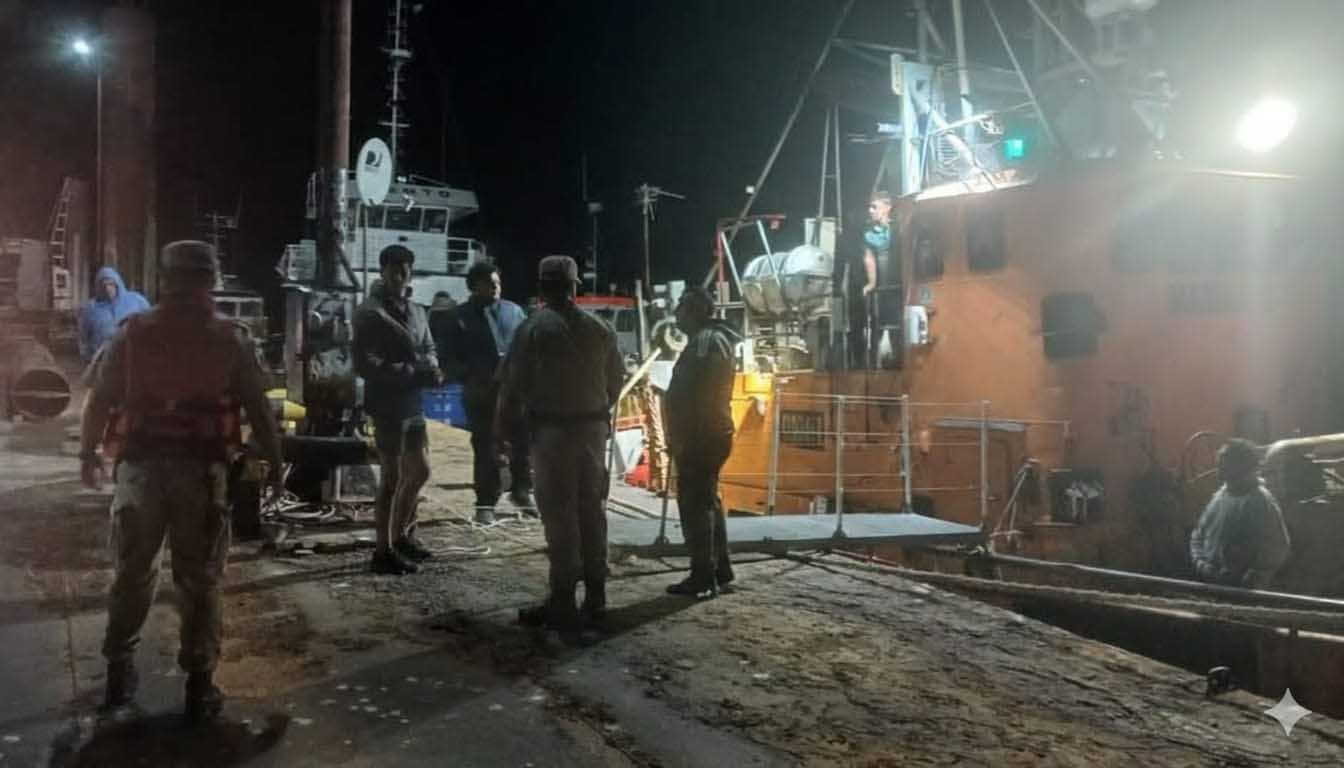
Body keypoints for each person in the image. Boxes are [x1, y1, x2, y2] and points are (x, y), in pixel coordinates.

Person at [78, 240, 283, 723]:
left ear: (165, 279)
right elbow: (260, 410)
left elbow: (99, 400)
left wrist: (88, 454)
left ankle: (119, 672)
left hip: (140, 474)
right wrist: (274, 464)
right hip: (201, 476)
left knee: (133, 574)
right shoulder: (231, 339)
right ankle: (199, 685)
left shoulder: (132, 334)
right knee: (200, 580)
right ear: (211, 280)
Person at [499, 255, 623, 631]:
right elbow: (615, 382)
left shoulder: (532, 329)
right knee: (592, 513)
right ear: (574, 286)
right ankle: (596, 598)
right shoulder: (601, 328)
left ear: (542, 286)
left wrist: (505, 436)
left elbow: (513, 386)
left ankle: (563, 599)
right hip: (593, 432)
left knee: (559, 515)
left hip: (552, 434)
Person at [353, 245, 441, 575]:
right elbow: (365, 363)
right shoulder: (369, 312)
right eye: (393, 269)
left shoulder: (417, 310)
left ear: (410, 272)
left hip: (412, 400)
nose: (399, 275)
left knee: (420, 471)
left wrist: (433, 366)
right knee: (391, 477)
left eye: (404, 269)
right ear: (383, 271)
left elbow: (428, 345)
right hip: (387, 402)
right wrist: (411, 371)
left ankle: (402, 536)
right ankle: (382, 550)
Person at [664, 287, 742, 598]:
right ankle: (720, 570)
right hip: (708, 432)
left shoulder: (706, 343)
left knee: (695, 504)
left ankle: (702, 576)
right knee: (707, 500)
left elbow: (697, 394)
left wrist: (685, 436)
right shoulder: (711, 340)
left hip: (700, 435)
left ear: (695, 311)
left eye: (681, 307)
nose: (676, 314)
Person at [441, 261, 529, 523]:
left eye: (498, 283)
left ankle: (522, 492)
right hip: (481, 392)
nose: (495, 287)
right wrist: (473, 374)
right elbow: (448, 358)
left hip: (515, 390)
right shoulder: (457, 317)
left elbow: (526, 346)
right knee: (485, 445)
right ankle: (485, 502)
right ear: (474, 285)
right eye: (489, 283)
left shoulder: (514, 312)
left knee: (523, 441)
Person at [1189, 438, 1292, 589]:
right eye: (1220, 464)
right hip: (1211, 582)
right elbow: (1199, 534)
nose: (1219, 469)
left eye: (1225, 464)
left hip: (1241, 589)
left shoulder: (1260, 502)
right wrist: (1201, 563)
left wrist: (1254, 576)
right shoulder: (1220, 496)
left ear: (1243, 467)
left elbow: (1277, 549)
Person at [77, 266, 150, 364]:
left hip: (133, 359)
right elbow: (83, 337)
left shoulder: (137, 301)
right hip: (102, 361)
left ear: (118, 283)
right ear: (98, 287)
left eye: (111, 284)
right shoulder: (90, 309)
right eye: (103, 286)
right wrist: (87, 357)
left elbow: (149, 326)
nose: (107, 289)